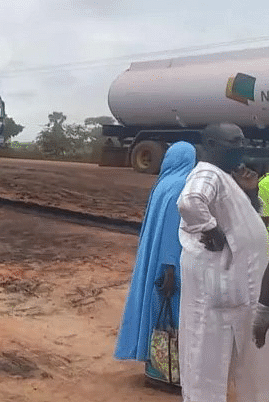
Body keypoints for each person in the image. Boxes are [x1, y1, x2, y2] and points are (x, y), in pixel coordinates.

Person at [177, 123, 269, 402]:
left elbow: (249, 218)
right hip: (216, 289)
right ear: (212, 145)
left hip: (237, 291)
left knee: (251, 363)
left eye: (242, 141)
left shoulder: (225, 176)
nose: (241, 147)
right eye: (234, 142)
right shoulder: (207, 172)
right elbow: (190, 201)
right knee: (205, 364)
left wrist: (251, 192)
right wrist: (209, 229)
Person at [114, 141, 196, 382]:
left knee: (155, 312)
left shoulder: (163, 184)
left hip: (155, 261)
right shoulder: (182, 186)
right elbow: (172, 231)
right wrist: (170, 268)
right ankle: (168, 371)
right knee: (172, 315)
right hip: (169, 264)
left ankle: (155, 365)